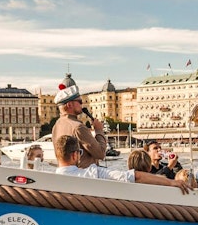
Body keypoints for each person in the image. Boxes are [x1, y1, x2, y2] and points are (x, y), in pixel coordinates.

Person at [54, 136, 190, 194]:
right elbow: (134, 177)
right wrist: (171, 182)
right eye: (80, 152)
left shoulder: (47, 179)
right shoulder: (92, 173)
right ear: (74, 155)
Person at [51, 73, 107, 168]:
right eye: (79, 102)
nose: (82, 105)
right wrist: (99, 130)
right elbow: (100, 154)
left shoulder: (56, 126)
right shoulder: (78, 127)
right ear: (69, 105)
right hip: (85, 176)